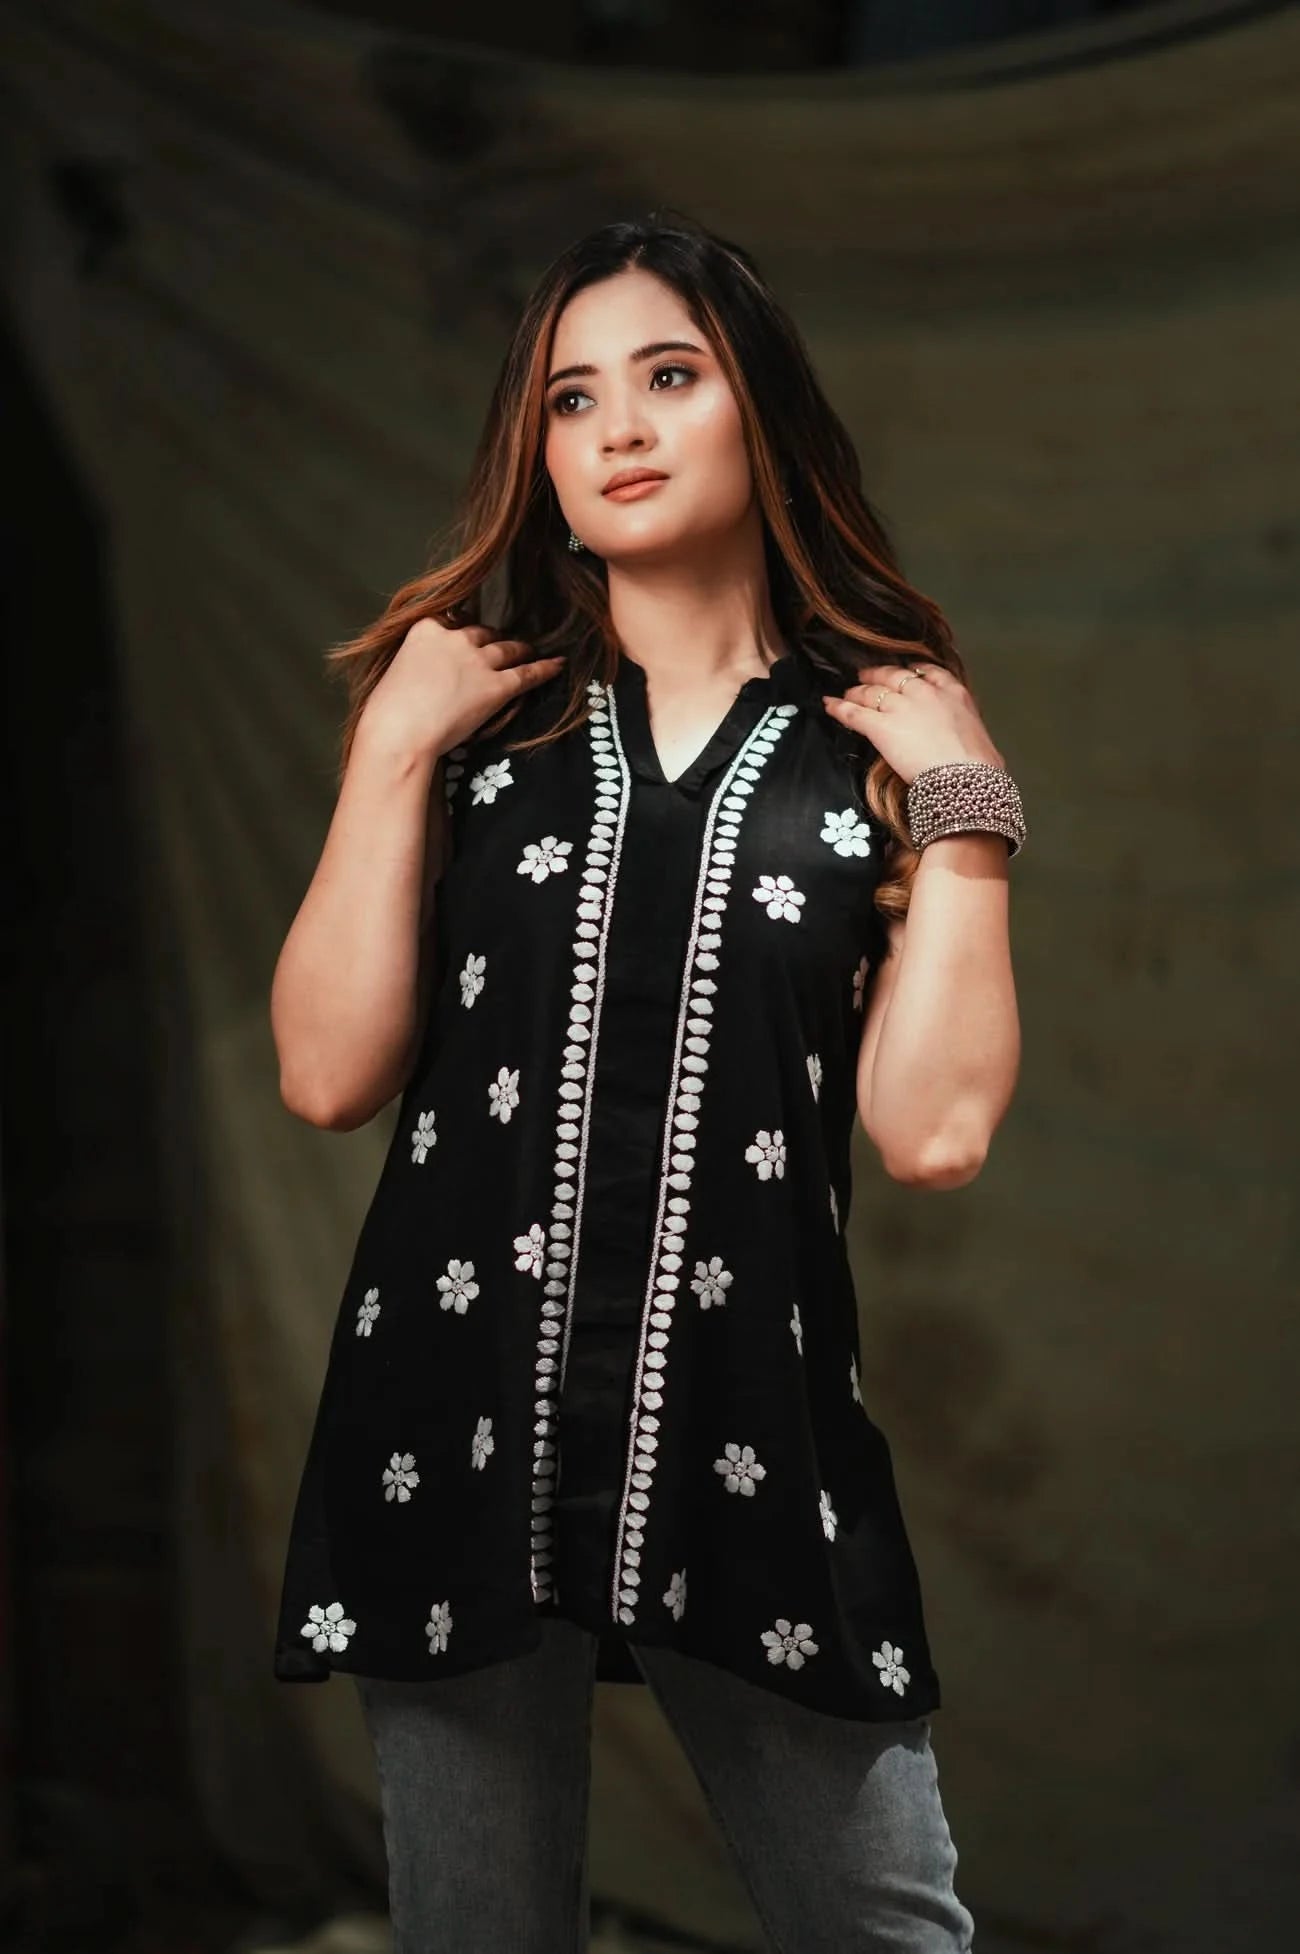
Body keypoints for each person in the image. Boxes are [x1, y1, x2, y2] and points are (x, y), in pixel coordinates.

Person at [269, 210, 1024, 1951]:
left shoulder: (883, 753)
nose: (615, 427)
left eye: (669, 377)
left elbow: (935, 1130)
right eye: (569, 398)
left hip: (754, 1426)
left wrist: (970, 811)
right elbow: (324, 1075)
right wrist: (389, 743)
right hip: (453, 1415)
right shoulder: (479, 740)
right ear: (531, 456)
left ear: (758, 409)